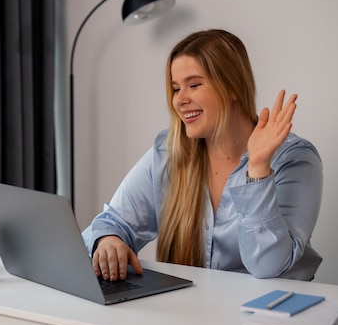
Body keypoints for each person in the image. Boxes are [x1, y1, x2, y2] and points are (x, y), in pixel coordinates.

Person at [82, 29, 323, 282]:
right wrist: (108, 240)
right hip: (191, 311)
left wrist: (258, 169)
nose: (180, 100)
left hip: (273, 313)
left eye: (194, 85)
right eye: (176, 89)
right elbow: (112, 221)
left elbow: (268, 266)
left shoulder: (294, 159)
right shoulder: (168, 153)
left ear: (232, 87)